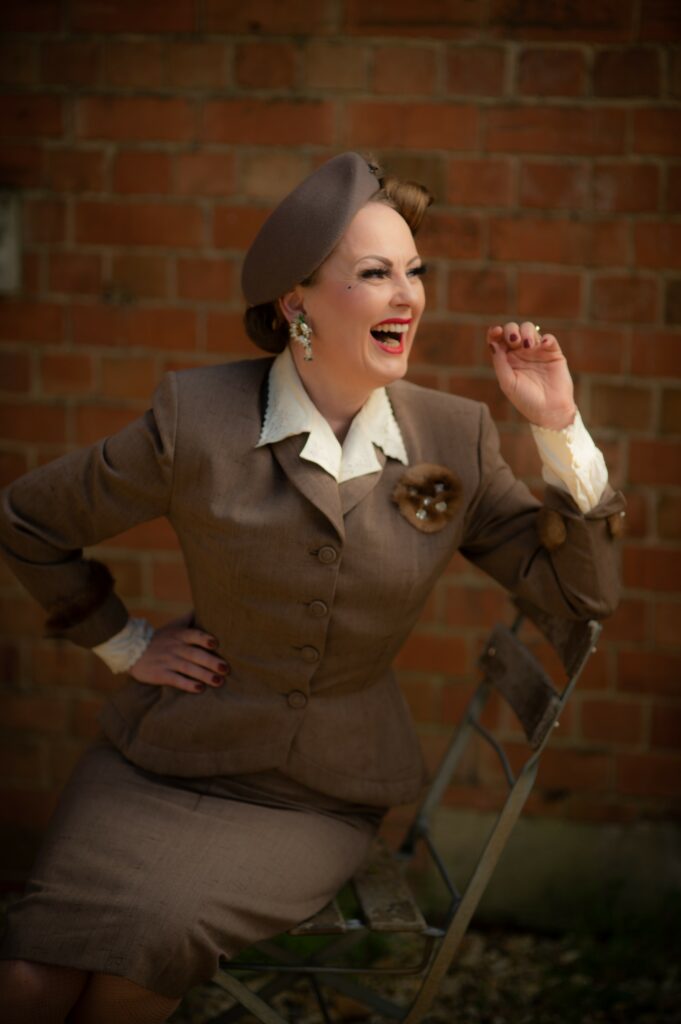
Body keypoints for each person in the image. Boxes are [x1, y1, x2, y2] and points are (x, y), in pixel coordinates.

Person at [0, 152, 625, 1023]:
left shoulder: (457, 434)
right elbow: (30, 521)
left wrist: (556, 429)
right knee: (30, 980)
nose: (407, 295)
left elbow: (579, 596)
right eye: (375, 274)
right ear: (297, 303)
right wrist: (123, 641)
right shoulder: (197, 420)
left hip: (317, 794)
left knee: (136, 963)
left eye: (415, 273)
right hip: (160, 762)